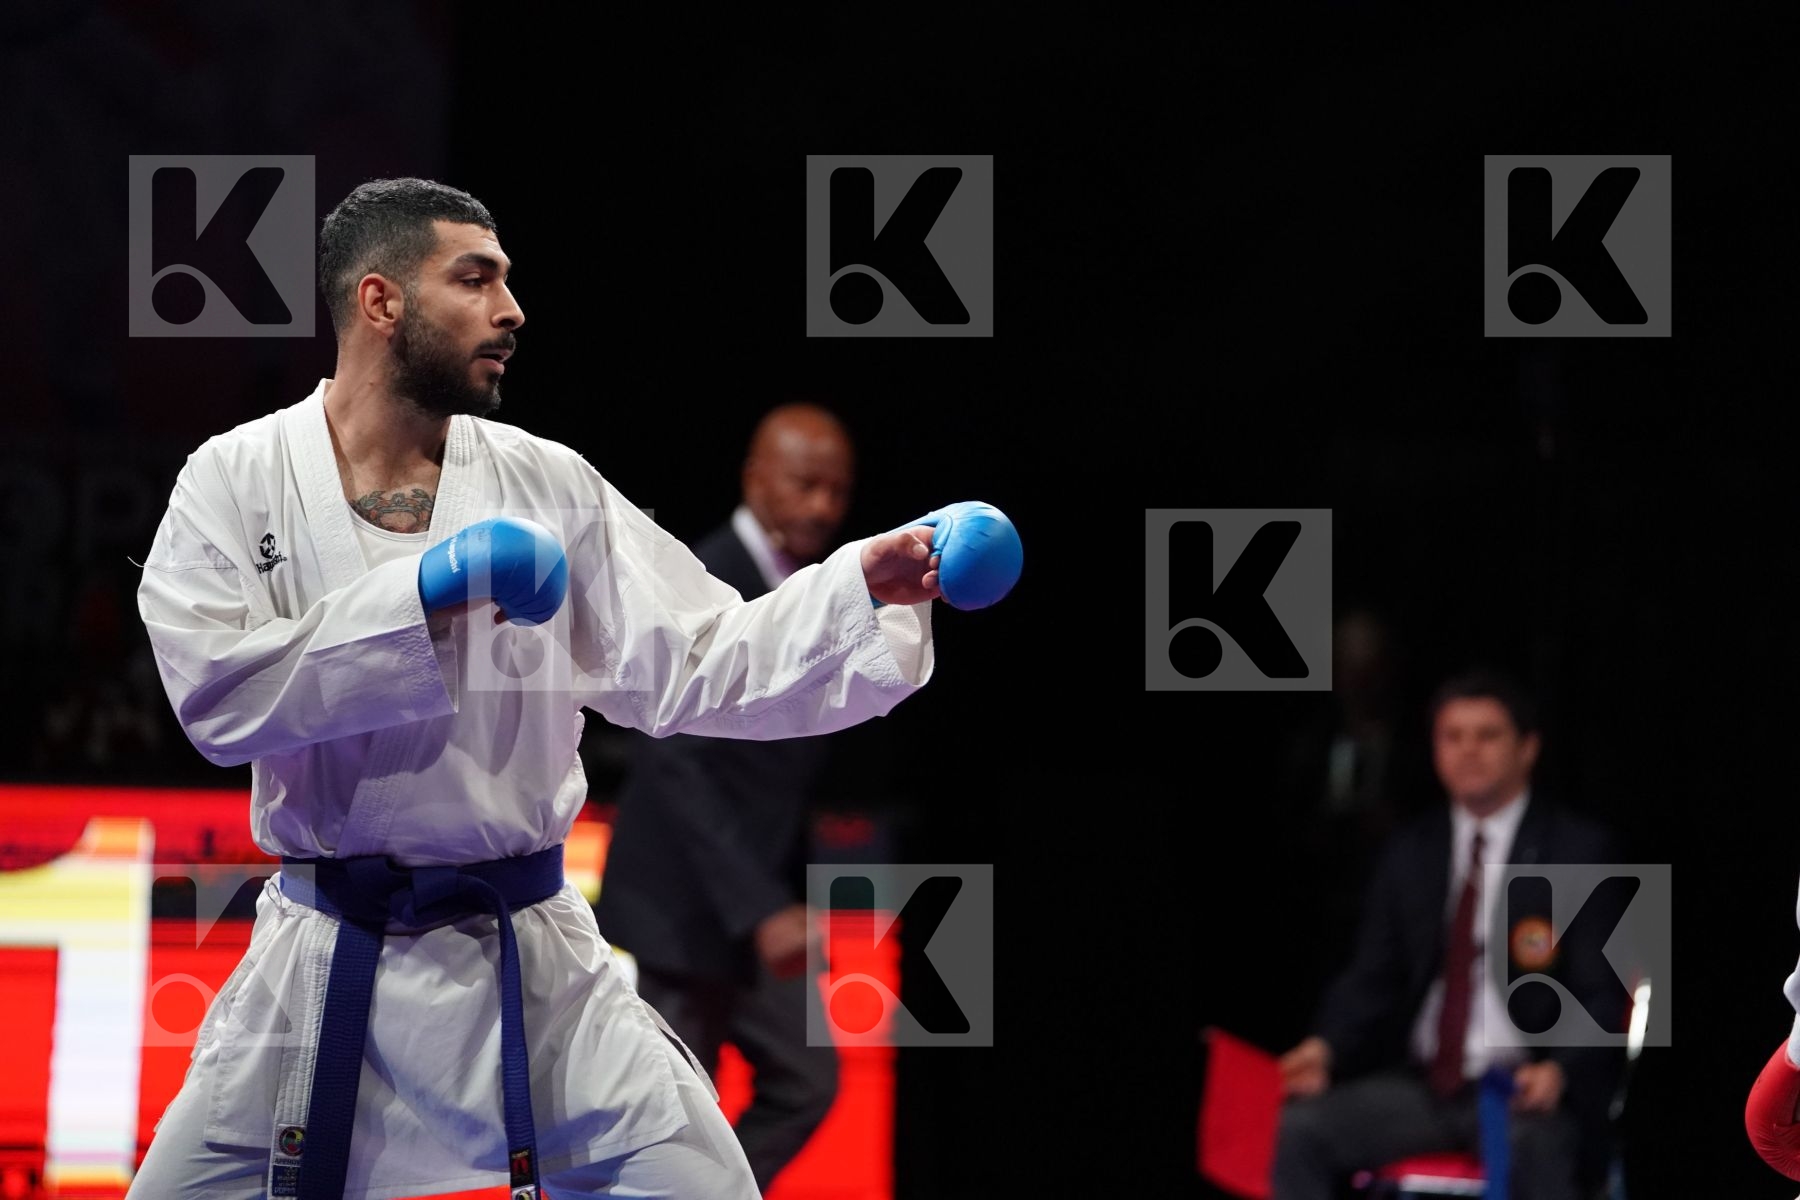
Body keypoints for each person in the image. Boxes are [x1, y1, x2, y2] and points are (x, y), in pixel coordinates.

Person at [129, 178, 953, 1200]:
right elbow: (215, 698)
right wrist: (422, 596)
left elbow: (697, 656)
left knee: (708, 1186)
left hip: (530, 965)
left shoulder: (547, 482)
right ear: (381, 302)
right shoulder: (235, 478)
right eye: (474, 280)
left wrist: (855, 590)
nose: (511, 310)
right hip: (323, 969)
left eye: (508, 281)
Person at [596, 401, 856, 1192]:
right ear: (756, 478)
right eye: (805, 485)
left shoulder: (814, 588)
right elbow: (677, 766)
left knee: (808, 1081)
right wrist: (764, 907)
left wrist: (782, 899)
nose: (822, 507)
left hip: (751, 908)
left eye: (837, 491)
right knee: (678, 1116)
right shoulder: (706, 577)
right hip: (680, 901)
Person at [1270, 669, 1625, 1200]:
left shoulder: (1591, 848)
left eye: (1487, 735)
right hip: (1427, 1086)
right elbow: (1373, 975)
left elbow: (1613, 991)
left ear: (1528, 748)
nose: (1468, 751)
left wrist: (1563, 1071)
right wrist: (1325, 1047)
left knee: (1534, 1150)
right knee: (1299, 1130)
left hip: (1527, 1092)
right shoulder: (1411, 849)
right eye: (1452, 736)